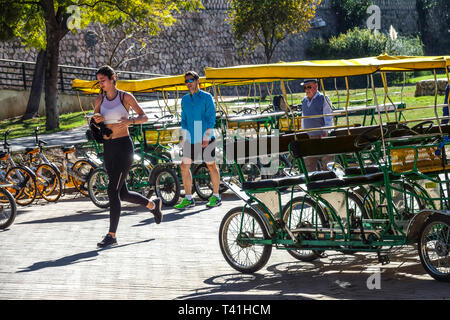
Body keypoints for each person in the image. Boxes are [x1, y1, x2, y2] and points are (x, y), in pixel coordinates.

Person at [93, 65, 162, 248]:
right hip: (109, 148)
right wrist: (96, 121)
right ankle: (153, 206)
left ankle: (111, 235)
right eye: (99, 81)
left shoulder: (125, 97)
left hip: (124, 147)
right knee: (121, 193)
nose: (101, 84)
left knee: (111, 191)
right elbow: (95, 122)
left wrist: (130, 121)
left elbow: (144, 116)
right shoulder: (99, 100)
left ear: (113, 78)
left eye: (103, 80)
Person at [174, 71, 221, 210]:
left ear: (197, 80)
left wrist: (206, 135)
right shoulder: (185, 100)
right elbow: (184, 120)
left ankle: (216, 196)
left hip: (205, 136)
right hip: (190, 137)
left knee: (211, 165)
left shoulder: (207, 97)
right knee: (184, 166)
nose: (188, 83)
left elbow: (211, 117)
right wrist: (184, 136)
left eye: (191, 80)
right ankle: (189, 199)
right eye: (186, 81)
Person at [300, 79, 334, 172]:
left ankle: (328, 180)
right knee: (309, 162)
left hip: (322, 135)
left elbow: (328, 117)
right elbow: (303, 118)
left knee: (327, 161)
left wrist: (326, 131)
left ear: (316, 86)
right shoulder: (304, 101)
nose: (307, 90)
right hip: (309, 135)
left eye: (309, 87)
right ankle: (312, 182)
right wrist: (303, 132)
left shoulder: (323, 98)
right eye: (305, 87)